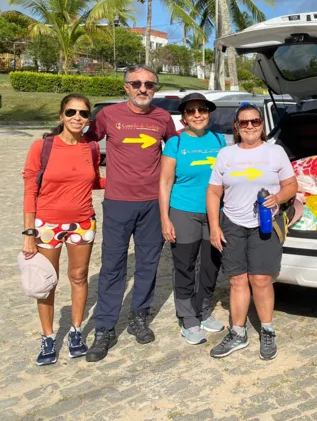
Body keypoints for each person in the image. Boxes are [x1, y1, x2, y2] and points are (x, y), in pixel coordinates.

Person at [84, 65, 177, 362]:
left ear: (155, 89)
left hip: (152, 203)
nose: (142, 89)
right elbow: (85, 143)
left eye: (149, 84)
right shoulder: (108, 115)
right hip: (118, 202)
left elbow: (174, 153)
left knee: (148, 264)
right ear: (125, 87)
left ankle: (139, 316)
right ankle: (105, 328)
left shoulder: (162, 118)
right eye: (136, 83)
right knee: (112, 266)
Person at [206, 102, 298, 361]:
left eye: (254, 121)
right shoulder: (227, 154)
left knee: (260, 279)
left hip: (264, 223)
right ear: (236, 126)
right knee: (236, 279)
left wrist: (278, 198)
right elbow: (214, 192)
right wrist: (215, 226)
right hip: (233, 223)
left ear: (262, 124)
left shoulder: (275, 152)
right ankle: (238, 333)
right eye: (244, 122)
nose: (249, 126)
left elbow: (291, 185)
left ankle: (267, 330)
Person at [21, 94, 104, 365]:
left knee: (79, 276)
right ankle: (48, 337)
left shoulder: (91, 148)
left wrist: (127, 181)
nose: (77, 118)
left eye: (82, 113)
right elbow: (30, 190)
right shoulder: (42, 147)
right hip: (47, 225)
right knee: (47, 283)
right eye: (71, 112)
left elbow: (92, 181)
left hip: (82, 222)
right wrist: (29, 233)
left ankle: (77, 332)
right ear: (61, 116)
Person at [159, 93, 226, 345]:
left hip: (214, 215)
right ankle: (188, 318)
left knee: (211, 265)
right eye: (191, 111)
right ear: (184, 117)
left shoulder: (220, 140)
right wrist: (165, 218)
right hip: (183, 211)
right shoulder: (175, 144)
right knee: (184, 266)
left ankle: (203, 309)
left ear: (209, 113)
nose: (197, 115)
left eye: (202, 110)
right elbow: (165, 183)